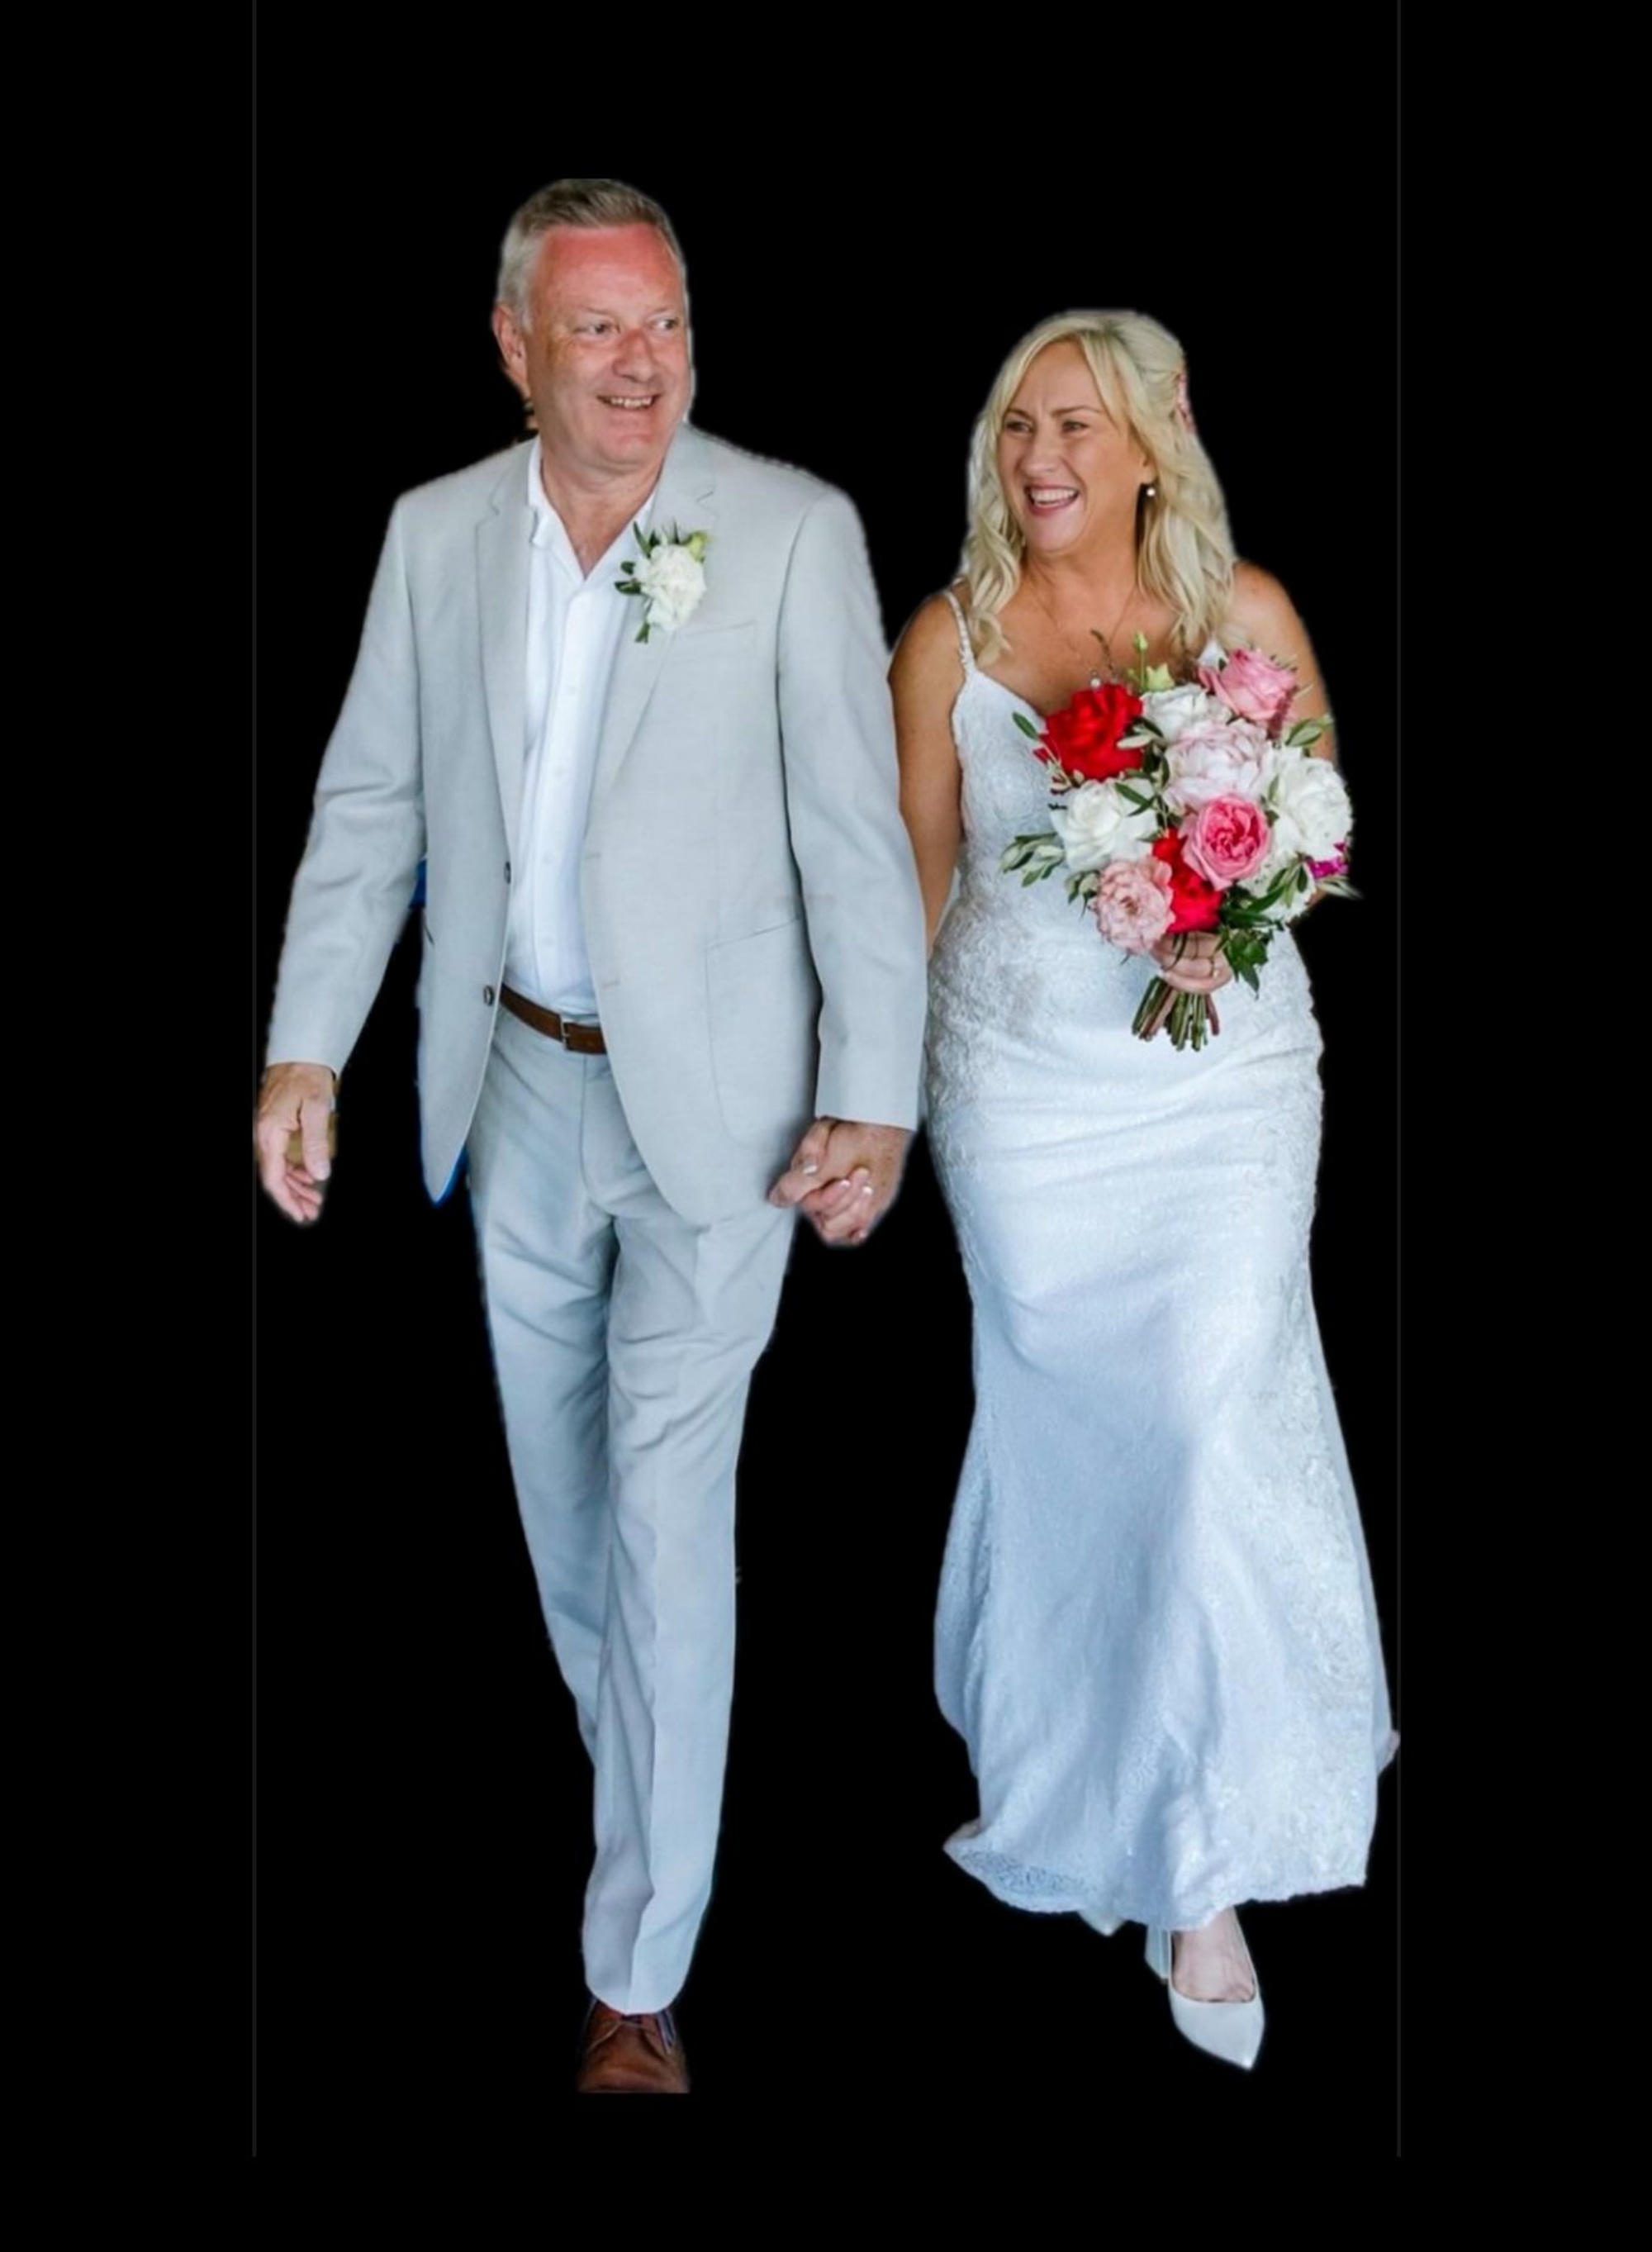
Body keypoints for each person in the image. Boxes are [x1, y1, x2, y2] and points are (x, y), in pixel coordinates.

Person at [254, 178, 928, 2094]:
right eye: (600, 332)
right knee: (572, 1530)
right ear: (514, 346)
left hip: (719, 1111)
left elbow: (852, 842)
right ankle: (661, 1769)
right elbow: (367, 807)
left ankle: (633, 1977)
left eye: (666, 326)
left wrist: (876, 1091)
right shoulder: (432, 535)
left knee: (667, 1512)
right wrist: (307, 1050)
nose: (642, 367)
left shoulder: (788, 530)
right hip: (512, 1090)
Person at [889, 311, 1396, 2071]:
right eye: (1019, 426)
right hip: (1026, 1107)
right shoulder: (945, 638)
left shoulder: (1241, 613)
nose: (1040, 458)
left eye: (1077, 428)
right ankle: (1079, 1763)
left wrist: (1213, 875)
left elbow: (1321, 845)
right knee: (1079, 1438)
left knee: (1196, 1421)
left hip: (1223, 1094)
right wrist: (862, 1112)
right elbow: (908, 904)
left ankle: (1196, 1864)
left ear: (1153, 444)